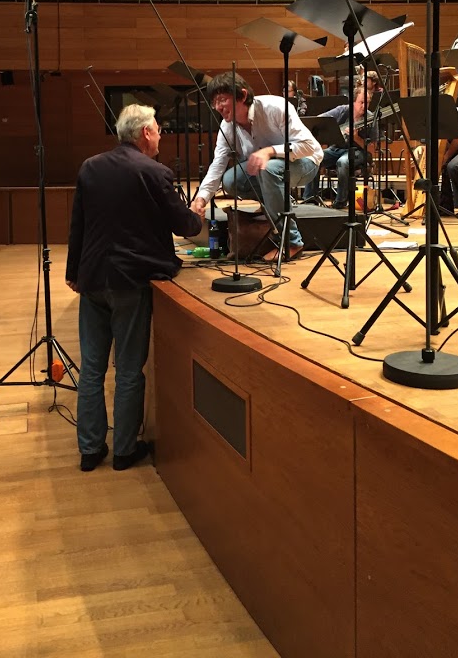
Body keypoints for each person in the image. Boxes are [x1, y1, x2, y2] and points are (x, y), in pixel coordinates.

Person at [66, 104, 202, 472]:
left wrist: (73, 271)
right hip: (130, 281)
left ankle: (90, 450)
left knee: (91, 369)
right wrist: (199, 212)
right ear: (145, 133)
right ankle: (125, 450)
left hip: (92, 278)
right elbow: (184, 226)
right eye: (157, 129)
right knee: (128, 370)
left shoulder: (90, 167)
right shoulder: (155, 172)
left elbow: (77, 223)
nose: (160, 135)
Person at [191, 72, 322, 261]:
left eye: (222, 100)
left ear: (243, 96)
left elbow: (309, 146)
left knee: (267, 168)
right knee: (230, 180)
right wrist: (201, 199)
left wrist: (270, 151)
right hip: (270, 171)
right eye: (214, 101)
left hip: (305, 163)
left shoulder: (276, 107)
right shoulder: (227, 126)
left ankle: (292, 242)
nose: (217, 107)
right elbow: (218, 165)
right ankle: (273, 205)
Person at [303, 84, 378, 209]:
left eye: (368, 103)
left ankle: (340, 202)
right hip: (336, 148)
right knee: (314, 158)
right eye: (361, 102)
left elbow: (371, 150)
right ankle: (310, 199)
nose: (365, 106)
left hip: (359, 152)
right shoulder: (342, 110)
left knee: (343, 162)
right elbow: (319, 120)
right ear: (353, 102)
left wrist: (356, 138)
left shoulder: (371, 118)